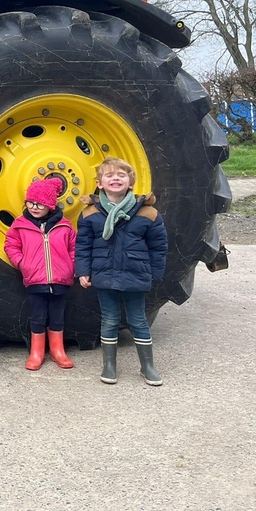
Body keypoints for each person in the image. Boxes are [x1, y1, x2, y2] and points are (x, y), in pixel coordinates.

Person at [75, 157, 168, 386]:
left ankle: (147, 367)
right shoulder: (89, 214)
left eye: (121, 175)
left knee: (138, 319)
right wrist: (83, 271)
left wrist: (155, 274)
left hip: (136, 274)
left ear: (130, 183)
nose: (115, 178)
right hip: (105, 274)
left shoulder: (148, 213)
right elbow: (83, 245)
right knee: (109, 319)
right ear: (99, 183)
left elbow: (159, 247)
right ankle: (109, 365)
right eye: (109, 175)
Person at [4, 177, 76, 371]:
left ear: (50, 206)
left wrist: (71, 265)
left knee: (57, 316)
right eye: (31, 203)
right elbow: (11, 245)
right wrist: (22, 263)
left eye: (40, 204)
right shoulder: (20, 225)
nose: (34, 207)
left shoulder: (65, 225)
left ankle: (57, 350)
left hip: (60, 280)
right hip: (35, 279)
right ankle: (36, 352)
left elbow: (73, 248)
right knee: (37, 316)